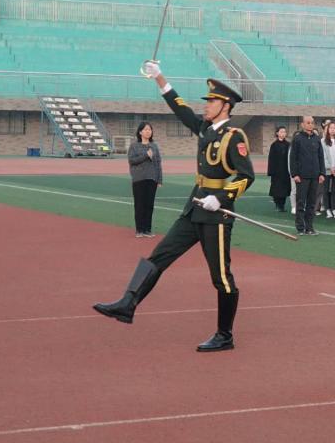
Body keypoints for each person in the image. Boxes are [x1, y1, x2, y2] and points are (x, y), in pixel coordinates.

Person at [94, 64, 254, 352]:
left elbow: (246, 176)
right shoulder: (205, 129)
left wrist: (221, 198)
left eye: (212, 101)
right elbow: (180, 109)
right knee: (159, 256)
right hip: (194, 207)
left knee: (221, 277)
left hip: (216, 215)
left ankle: (225, 335)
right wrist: (159, 78)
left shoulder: (234, 137)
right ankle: (128, 303)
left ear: (226, 106)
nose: (206, 105)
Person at [291, 115, 325, 236]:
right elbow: (293, 157)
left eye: (312, 123)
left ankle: (309, 227)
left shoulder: (317, 139)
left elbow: (321, 157)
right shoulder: (297, 139)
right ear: (302, 124)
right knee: (301, 202)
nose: (310, 125)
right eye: (308, 122)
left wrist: (322, 173)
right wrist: (295, 174)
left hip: (315, 176)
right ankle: (300, 227)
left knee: (312, 203)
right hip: (302, 176)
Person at [127, 121, 163, 238]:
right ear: (140, 132)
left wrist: (159, 179)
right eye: (146, 129)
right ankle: (139, 229)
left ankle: (147, 229)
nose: (148, 131)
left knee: (149, 205)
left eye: (150, 129)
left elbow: (158, 163)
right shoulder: (134, 146)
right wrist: (146, 156)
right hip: (139, 179)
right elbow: (132, 160)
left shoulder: (154, 146)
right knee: (139, 204)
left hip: (152, 179)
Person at [267, 126, 291, 212]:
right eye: (281, 132)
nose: (283, 133)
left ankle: (282, 205)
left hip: (285, 170)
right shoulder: (274, 145)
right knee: (276, 188)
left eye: (284, 132)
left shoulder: (288, 144)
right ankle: (277, 204)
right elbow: (271, 159)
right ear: (277, 133)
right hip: (276, 171)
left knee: (285, 189)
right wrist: (271, 171)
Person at [322, 122, 335, 219]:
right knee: (325, 190)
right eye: (331, 128)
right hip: (327, 170)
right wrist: (330, 167)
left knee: (334, 190)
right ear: (327, 129)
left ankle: (334, 209)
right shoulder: (323, 141)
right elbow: (323, 157)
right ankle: (327, 209)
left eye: (334, 128)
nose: (332, 130)